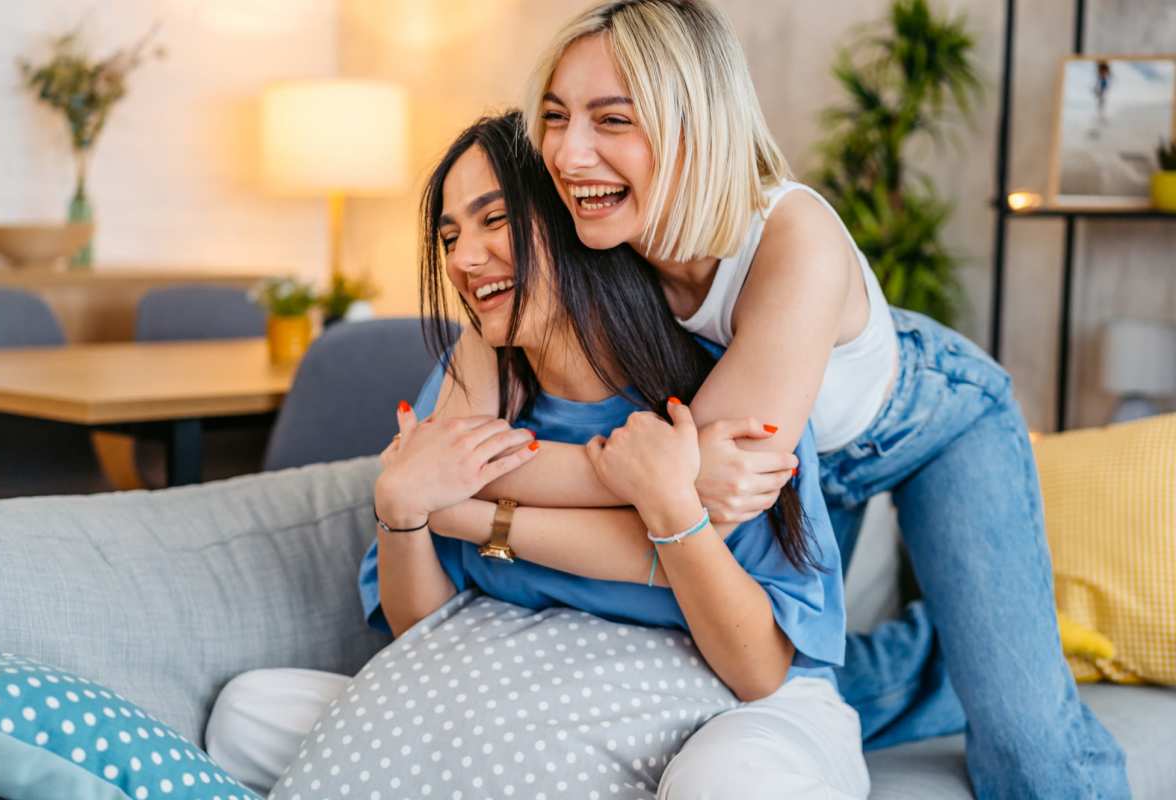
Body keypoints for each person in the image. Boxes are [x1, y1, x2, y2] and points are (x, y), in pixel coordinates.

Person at [418, 2, 1127, 797]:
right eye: (553, 117)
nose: (569, 151)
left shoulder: (792, 237)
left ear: (695, 121)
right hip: (800, 465)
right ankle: (944, 657)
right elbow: (480, 435)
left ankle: (1005, 644)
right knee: (779, 674)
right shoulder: (599, 229)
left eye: (610, 118)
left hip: (926, 426)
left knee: (1029, 751)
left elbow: (691, 508)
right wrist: (453, 491)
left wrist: (465, 504)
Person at [205, 112, 869, 800]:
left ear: (567, 222)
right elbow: (417, 628)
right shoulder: (471, 389)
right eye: (451, 236)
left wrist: (466, 512)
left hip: (732, 706)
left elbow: (758, 668)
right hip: (524, 689)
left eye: (494, 221)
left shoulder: (716, 393)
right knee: (247, 713)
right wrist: (401, 511)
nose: (464, 259)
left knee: (733, 785)